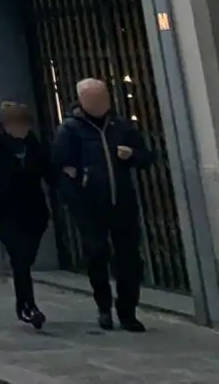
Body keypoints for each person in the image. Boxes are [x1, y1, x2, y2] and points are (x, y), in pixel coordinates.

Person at [53, 77, 155, 332]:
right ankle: (104, 306)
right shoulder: (70, 129)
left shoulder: (121, 126)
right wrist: (75, 200)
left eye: (104, 97)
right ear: (82, 100)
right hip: (90, 205)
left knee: (130, 258)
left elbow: (146, 157)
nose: (100, 103)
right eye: (94, 98)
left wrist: (132, 155)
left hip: (122, 202)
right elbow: (61, 167)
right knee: (97, 254)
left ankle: (128, 311)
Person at [0, 101, 52, 329]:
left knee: (26, 257)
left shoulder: (32, 144)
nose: (21, 129)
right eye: (17, 125)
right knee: (19, 258)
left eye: (24, 125)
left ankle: (26, 303)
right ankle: (28, 306)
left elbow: (47, 170)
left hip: (33, 210)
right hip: (5, 211)